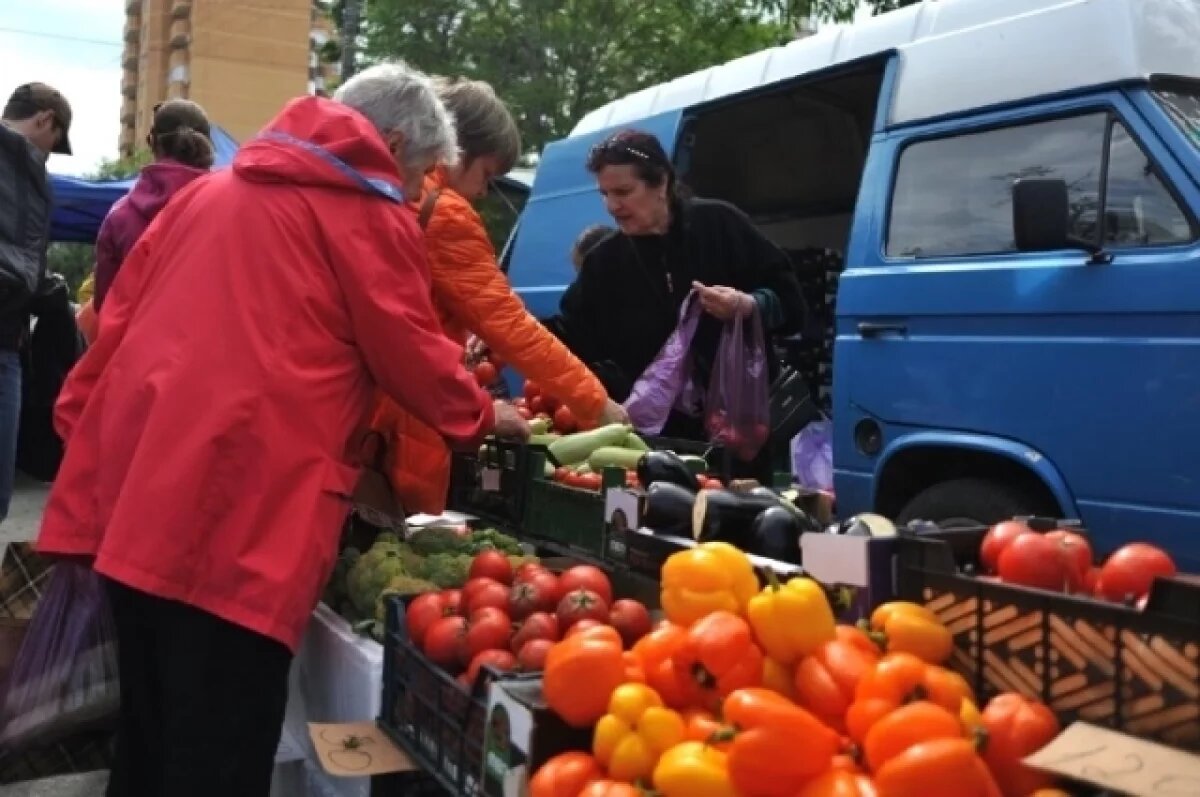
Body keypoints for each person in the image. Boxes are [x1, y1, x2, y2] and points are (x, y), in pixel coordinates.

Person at [36, 61, 528, 797]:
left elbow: (110, 333)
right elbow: (413, 353)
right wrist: (487, 414)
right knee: (220, 749)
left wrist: (90, 446)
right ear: (389, 141)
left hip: (136, 500)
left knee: (147, 732)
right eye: (421, 172)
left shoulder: (204, 195)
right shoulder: (365, 214)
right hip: (243, 513)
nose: (418, 190)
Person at [369, 77, 626, 516]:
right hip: (406, 412)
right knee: (402, 526)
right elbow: (510, 326)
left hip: (369, 398)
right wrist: (595, 403)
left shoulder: (392, 192)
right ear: (457, 150)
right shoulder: (445, 211)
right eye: (487, 175)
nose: (485, 192)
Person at [552, 129, 805, 448]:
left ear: (662, 183)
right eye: (604, 194)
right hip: (657, 441)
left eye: (623, 192)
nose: (612, 206)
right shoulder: (604, 263)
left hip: (744, 432)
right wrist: (503, 335)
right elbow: (570, 333)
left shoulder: (719, 225)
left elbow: (792, 302)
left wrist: (747, 305)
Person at [0, 82, 73, 521]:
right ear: (44, 119)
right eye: (55, 140)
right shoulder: (25, 170)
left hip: (8, 343)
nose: (51, 150)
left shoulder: (34, 175)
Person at [93, 99, 214, 313]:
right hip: (210, 341)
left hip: (137, 341)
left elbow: (104, 302)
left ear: (152, 142)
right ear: (207, 143)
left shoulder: (121, 215)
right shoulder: (227, 207)